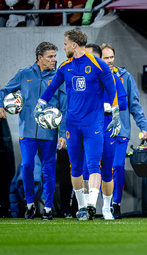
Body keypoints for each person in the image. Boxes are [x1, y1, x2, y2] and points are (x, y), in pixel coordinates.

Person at [34, 29, 121, 221]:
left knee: (94, 165)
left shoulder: (98, 65)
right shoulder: (65, 67)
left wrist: (115, 113)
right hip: (72, 125)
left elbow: (112, 89)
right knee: (76, 167)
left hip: (94, 124)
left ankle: (91, 205)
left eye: (65, 44)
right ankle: (82, 208)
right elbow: (51, 88)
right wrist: (39, 105)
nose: (63, 47)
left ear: (74, 45)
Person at [0, 42, 67, 220]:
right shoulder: (24, 74)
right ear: (40, 58)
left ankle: (47, 208)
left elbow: (65, 108)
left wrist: (62, 133)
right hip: (27, 132)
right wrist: (1, 105)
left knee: (49, 170)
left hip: (50, 134)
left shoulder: (59, 77)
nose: (54, 59)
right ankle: (30, 204)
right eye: (50, 56)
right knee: (27, 166)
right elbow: (4, 91)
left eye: (55, 56)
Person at [100, 43, 147, 219]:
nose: (110, 61)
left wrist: (144, 127)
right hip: (100, 131)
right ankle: (106, 205)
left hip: (121, 131)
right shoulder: (96, 77)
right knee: (104, 169)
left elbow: (134, 105)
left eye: (111, 57)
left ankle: (116, 203)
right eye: (105, 58)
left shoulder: (125, 77)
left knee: (118, 165)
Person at [84, 43, 127, 220]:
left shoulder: (114, 78)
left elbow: (123, 103)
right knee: (88, 170)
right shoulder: (83, 79)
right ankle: (86, 208)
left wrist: (104, 108)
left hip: (108, 130)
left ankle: (107, 208)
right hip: (88, 131)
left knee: (108, 171)